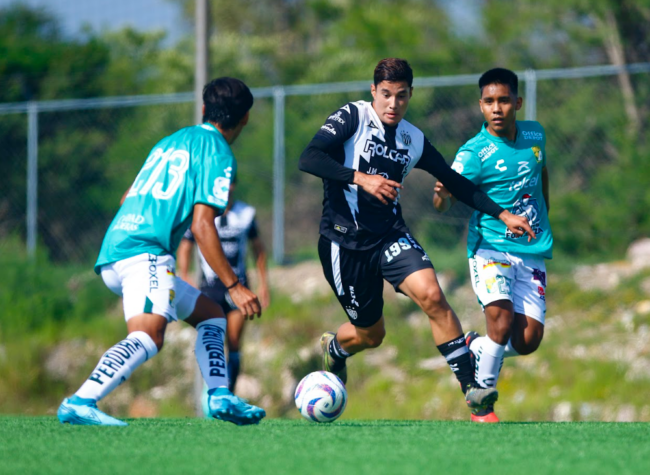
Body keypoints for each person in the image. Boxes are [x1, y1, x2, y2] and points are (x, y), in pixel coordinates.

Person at [298, 58, 535, 419]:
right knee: (371, 335)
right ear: (374, 91)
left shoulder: (413, 138)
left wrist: (501, 213)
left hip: (391, 235)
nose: (393, 104)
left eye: (402, 96)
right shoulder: (353, 116)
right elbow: (309, 157)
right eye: (387, 95)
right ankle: (337, 348)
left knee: (433, 295)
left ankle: (472, 389)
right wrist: (361, 178)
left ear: (411, 95)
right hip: (343, 244)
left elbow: (455, 183)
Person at [57, 77, 266, 426]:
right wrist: (234, 284)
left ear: (203, 109)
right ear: (245, 118)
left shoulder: (170, 141)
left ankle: (219, 395)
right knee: (149, 336)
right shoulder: (218, 152)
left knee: (210, 314)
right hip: (146, 252)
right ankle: (81, 400)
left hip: (117, 245)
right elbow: (202, 226)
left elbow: (128, 197)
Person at [434, 68, 552, 423]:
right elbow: (444, 202)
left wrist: (546, 213)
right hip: (489, 248)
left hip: (530, 251)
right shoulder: (474, 153)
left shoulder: (535, 134)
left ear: (517, 102)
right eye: (489, 102)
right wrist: (442, 195)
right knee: (499, 323)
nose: (497, 108)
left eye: (503, 100)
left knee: (528, 341)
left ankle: (475, 347)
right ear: (480, 106)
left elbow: (540, 169)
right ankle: (481, 403)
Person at [177, 178, 270, 396]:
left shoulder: (245, 214)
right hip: (210, 288)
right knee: (213, 341)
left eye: (229, 184)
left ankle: (229, 394)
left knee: (235, 341)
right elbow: (185, 246)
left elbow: (259, 249)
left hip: (239, 288)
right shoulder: (203, 213)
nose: (226, 189)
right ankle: (210, 391)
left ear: (234, 186)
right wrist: (184, 275)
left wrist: (264, 284)